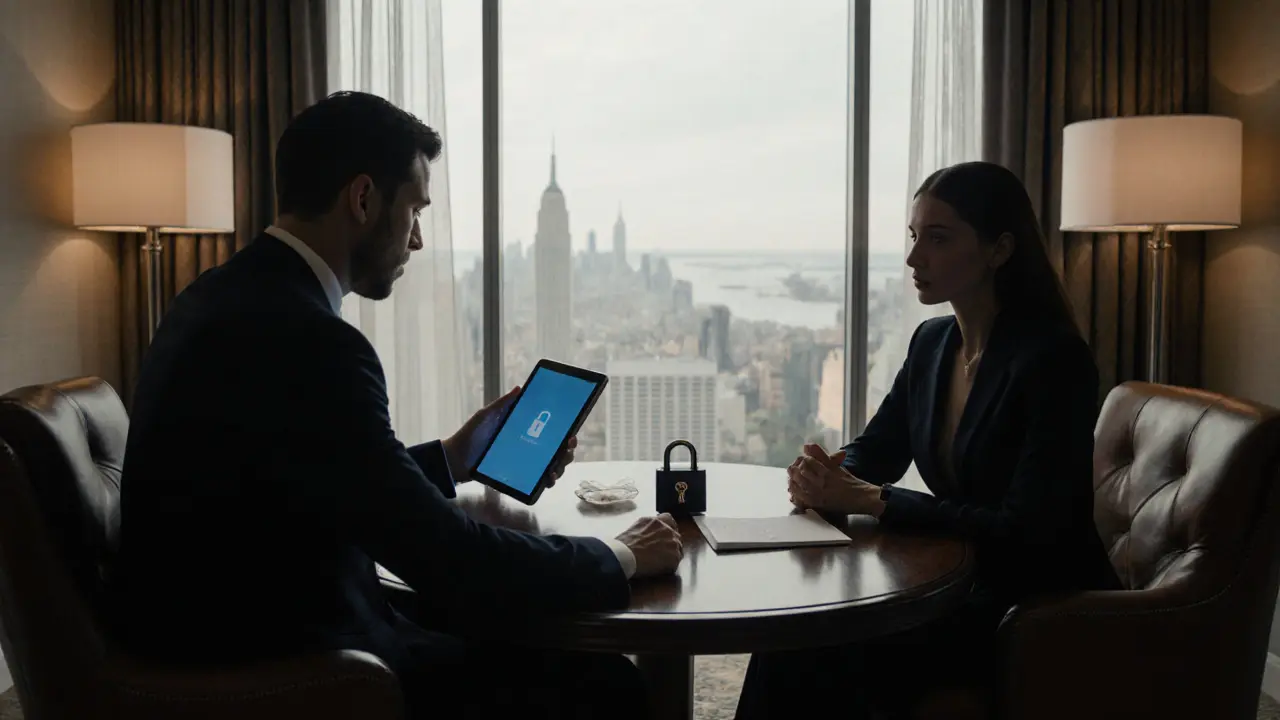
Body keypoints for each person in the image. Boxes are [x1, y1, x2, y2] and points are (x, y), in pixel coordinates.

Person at [108, 90, 684, 720]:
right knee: (606, 686)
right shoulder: (316, 341)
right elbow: (447, 558)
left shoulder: (216, 297)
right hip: (297, 667)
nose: (415, 240)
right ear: (362, 199)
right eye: (414, 210)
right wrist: (621, 555)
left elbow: (320, 480)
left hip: (223, 626)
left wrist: (453, 457)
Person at [734, 161, 1121, 719]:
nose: (915, 258)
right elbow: (880, 448)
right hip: (960, 582)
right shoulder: (933, 343)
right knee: (793, 640)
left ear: (999, 249)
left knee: (813, 650)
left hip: (1030, 604)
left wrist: (871, 499)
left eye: (937, 239)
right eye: (914, 237)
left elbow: (1026, 532)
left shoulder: (1053, 361)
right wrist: (832, 471)